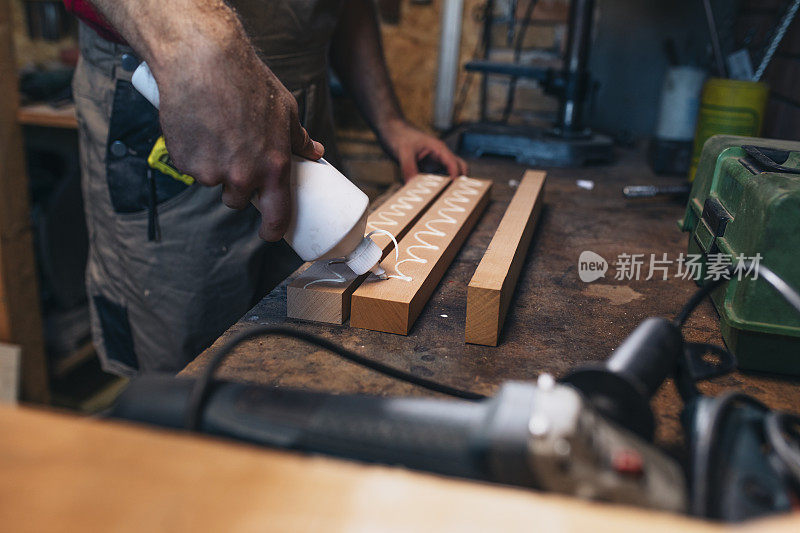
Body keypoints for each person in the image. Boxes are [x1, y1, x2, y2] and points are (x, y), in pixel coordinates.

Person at [63, 0, 467, 376]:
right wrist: (196, 48)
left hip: (299, 99)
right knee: (181, 367)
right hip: (178, 88)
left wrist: (389, 120)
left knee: (311, 354)